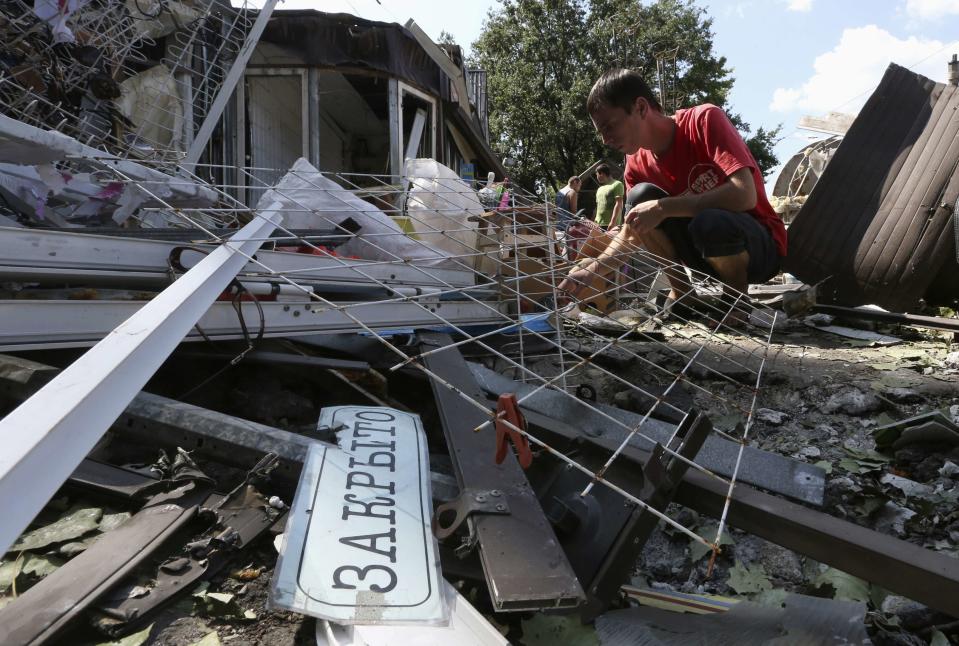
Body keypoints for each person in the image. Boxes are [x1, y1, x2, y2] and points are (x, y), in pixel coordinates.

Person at [560, 69, 787, 321]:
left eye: (610, 126)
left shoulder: (703, 121)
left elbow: (745, 196)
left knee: (708, 220)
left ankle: (736, 299)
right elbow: (632, 232)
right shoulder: (635, 164)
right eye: (600, 131)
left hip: (759, 248)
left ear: (641, 108)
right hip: (703, 257)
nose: (605, 139)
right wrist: (593, 269)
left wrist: (664, 207)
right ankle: (683, 291)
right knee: (640, 196)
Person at [593, 163, 624, 229]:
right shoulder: (599, 189)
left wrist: (612, 222)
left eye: (597, 175)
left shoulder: (617, 184)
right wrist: (594, 221)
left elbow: (619, 204)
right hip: (598, 224)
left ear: (602, 174)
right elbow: (597, 207)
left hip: (612, 225)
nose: (597, 177)